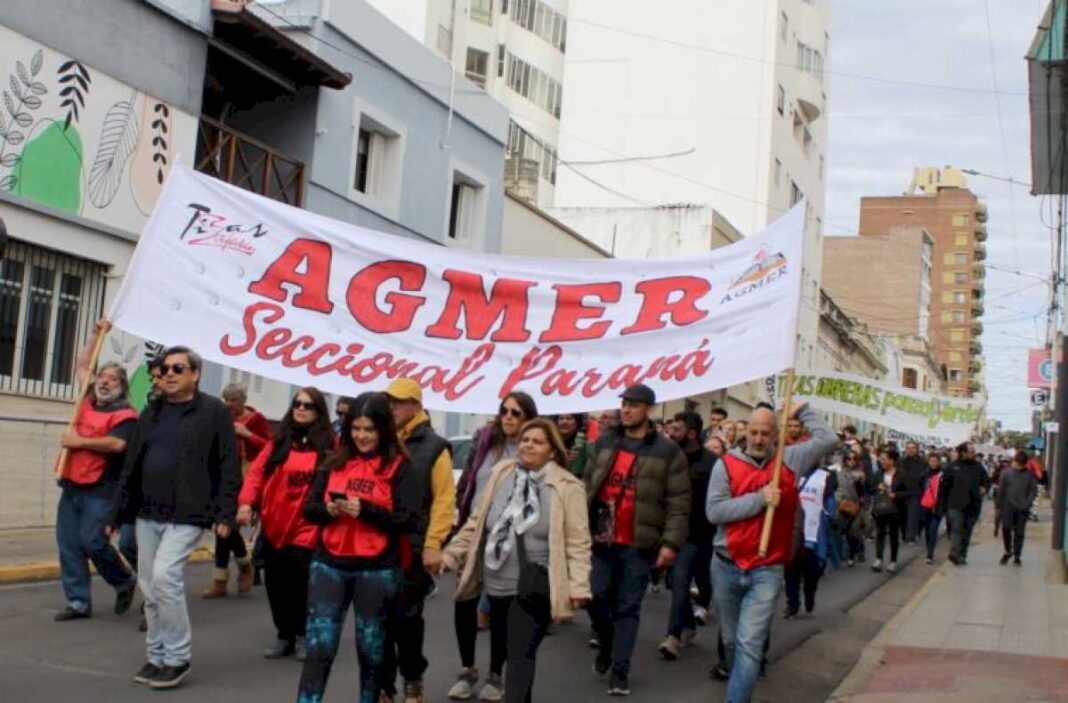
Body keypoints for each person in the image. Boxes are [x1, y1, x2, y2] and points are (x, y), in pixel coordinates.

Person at [113, 346, 240, 690]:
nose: (169, 374)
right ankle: (156, 656)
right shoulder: (152, 412)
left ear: (195, 374)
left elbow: (229, 464)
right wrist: (117, 511)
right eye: (165, 368)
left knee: (165, 577)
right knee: (150, 589)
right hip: (147, 513)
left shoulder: (214, 412)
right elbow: (132, 464)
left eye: (178, 368)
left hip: (189, 514)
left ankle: (178, 657)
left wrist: (226, 512)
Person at [439, 418, 592, 703]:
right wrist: (450, 554)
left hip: (534, 587)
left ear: (553, 450)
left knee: (521, 656)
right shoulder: (502, 474)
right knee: (512, 651)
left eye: (537, 441)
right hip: (496, 583)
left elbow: (578, 543)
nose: (528, 445)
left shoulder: (567, 487)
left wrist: (579, 585)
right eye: (524, 440)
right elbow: (477, 523)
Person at [705, 403, 836, 703]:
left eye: (765, 433)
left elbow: (828, 439)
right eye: (753, 432)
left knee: (750, 642)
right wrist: (760, 499)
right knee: (731, 641)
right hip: (726, 564)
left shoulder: (789, 459)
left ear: (776, 435)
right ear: (744, 433)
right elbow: (715, 511)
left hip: (767, 568)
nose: (758, 439)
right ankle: (739, 683)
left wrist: (802, 411)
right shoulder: (725, 465)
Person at [296, 392, 421, 703]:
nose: (362, 436)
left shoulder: (400, 466)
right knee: (319, 649)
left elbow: (408, 519)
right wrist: (330, 510)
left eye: (370, 429)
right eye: (356, 428)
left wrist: (365, 510)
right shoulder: (333, 460)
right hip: (329, 564)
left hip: (376, 569)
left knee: (371, 651)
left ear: (383, 429)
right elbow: (309, 508)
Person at [586, 384, 690, 696]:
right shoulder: (605, 442)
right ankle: (607, 643)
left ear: (648, 409)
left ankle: (620, 670)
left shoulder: (668, 452)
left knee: (628, 607)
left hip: (638, 542)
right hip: (601, 539)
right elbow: (587, 484)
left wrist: (670, 544)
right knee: (594, 595)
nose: (626, 409)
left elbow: (679, 503)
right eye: (624, 404)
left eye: (634, 404)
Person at [449, 391, 538, 700]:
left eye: (516, 412)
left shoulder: (533, 449)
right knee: (464, 599)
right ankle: (466, 669)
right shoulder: (486, 441)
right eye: (505, 410)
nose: (509, 417)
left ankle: (496, 674)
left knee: (500, 608)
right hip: (473, 532)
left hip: (510, 541)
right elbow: (469, 481)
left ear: (528, 418)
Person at [237, 387, 334, 661]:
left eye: (308, 405)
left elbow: (333, 481)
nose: (301, 409)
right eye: (297, 404)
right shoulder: (278, 440)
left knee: (301, 583)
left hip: (307, 526)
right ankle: (284, 634)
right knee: (276, 583)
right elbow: (256, 474)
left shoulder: (329, 444)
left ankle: (303, 634)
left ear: (319, 411)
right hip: (274, 523)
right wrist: (246, 502)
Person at [54, 319, 139, 622]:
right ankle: (77, 601)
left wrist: (78, 441)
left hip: (101, 488)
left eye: (112, 378)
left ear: (121, 386)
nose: (104, 381)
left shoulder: (126, 414)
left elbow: (117, 445)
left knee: (92, 540)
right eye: (102, 376)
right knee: (68, 544)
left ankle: (123, 580)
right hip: (72, 483)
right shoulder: (86, 398)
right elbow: (82, 365)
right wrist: (94, 335)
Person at [381, 378, 456, 703]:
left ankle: (413, 677)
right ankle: (383, 685)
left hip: (412, 546)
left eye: (399, 401)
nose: (393, 407)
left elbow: (444, 499)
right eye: (390, 402)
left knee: (407, 619)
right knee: (377, 618)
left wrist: (433, 544)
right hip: (377, 543)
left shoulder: (435, 446)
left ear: (416, 405)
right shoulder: (381, 438)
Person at [201, 384, 271, 599]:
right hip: (223, 477)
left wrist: (247, 434)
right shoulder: (220, 418)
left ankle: (226, 577)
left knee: (226, 527)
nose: (230, 404)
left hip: (245, 479)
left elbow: (269, 446)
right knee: (222, 527)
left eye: (234, 400)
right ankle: (235, 570)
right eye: (227, 400)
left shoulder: (256, 419)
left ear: (243, 400)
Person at [658, 411, 717, 661]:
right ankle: (674, 635)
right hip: (677, 534)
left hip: (704, 535)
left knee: (703, 582)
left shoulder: (712, 463)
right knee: (678, 581)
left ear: (692, 434)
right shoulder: (670, 459)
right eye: (671, 428)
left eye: (678, 429)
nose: (672, 433)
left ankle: (691, 622)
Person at [784, 460, 837, 618]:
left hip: (813, 534)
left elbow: (830, 503)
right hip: (793, 532)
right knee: (791, 570)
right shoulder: (791, 474)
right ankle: (792, 604)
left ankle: (809, 596)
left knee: (812, 572)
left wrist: (826, 518)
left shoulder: (824, 477)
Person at [941, 442, 985, 566]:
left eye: (973, 451)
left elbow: (986, 480)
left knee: (967, 531)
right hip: (956, 504)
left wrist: (984, 487)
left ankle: (962, 555)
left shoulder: (978, 467)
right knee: (956, 528)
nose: (973, 453)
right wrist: (943, 504)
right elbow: (944, 487)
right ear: (963, 453)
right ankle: (954, 552)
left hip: (973, 505)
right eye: (970, 451)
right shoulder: (952, 467)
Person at [997, 452, 1039, 566]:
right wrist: (999, 505)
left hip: (1023, 507)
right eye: (1017, 463)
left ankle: (1017, 554)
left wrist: (1028, 503)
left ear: (1025, 464)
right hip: (1008, 506)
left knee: (1019, 532)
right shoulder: (1006, 473)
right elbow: (1001, 490)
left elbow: (1033, 491)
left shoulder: (1029, 475)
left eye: (1021, 464)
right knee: (1006, 528)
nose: (1018, 466)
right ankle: (1007, 550)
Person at [871, 448, 907, 573]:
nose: (882, 461)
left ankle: (893, 561)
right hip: (880, 508)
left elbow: (908, 492)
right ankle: (878, 559)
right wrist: (877, 487)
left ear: (891, 460)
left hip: (895, 509)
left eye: (884, 459)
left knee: (893, 535)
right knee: (880, 533)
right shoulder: (878, 474)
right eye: (881, 459)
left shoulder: (902, 475)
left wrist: (896, 495)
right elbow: (870, 487)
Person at [919, 453, 945, 565]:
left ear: (939, 461)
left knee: (933, 529)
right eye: (931, 461)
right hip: (926, 505)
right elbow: (920, 489)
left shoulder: (943, 475)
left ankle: (930, 554)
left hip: (938, 506)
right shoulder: (925, 474)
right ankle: (929, 547)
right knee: (927, 530)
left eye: (935, 461)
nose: (933, 463)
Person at [899, 442, 925, 544]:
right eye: (909, 448)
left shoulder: (922, 462)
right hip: (902, 492)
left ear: (917, 449)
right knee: (903, 515)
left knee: (913, 515)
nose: (911, 450)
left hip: (916, 492)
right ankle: (904, 534)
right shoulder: (902, 462)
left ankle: (911, 536)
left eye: (913, 448)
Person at [553, 413, 589, 478]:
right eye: (561, 418)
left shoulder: (582, 442)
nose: (564, 422)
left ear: (576, 422)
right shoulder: (550, 442)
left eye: (569, 418)